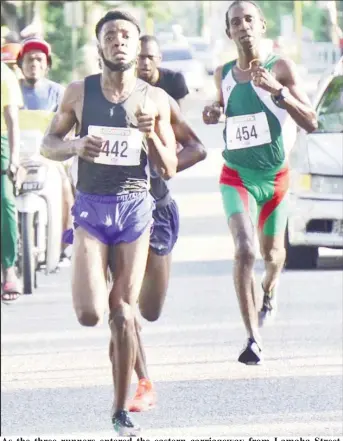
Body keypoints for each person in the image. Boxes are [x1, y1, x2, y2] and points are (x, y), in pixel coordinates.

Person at [41, 10, 177, 436]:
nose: (119, 41)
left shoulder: (153, 99)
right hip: (91, 209)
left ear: (138, 47)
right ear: (99, 45)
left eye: (127, 35)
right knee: (88, 313)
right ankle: (124, 370)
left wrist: (151, 133)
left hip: (135, 208)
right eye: (111, 35)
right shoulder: (78, 93)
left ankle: (120, 410)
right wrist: (77, 144)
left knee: (122, 312)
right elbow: (48, 145)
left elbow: (170, 166)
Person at [203, 0, 318, 365]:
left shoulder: (280, 67)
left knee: (272, 257)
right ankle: (253, 338)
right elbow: (223, 108)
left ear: (262, 26)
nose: (243, 26)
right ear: (229, 32)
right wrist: (213, 111)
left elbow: (311, 120)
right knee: (244, 250)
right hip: (235, 176)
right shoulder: (222, 72)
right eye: (236, 22)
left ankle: (269, 289)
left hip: (275, 179)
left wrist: (278, 91)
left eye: (249, 19)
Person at [120, 35, 207, 412]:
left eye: (148, 58)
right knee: (121, 304)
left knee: (149, 309)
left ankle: (127, 335)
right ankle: (142, 379)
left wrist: (164, 164)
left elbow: (198, 148)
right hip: (116, 209)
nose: (141, 64)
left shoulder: (162, 100)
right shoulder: (97, 99)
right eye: (135, 57)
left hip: (157, 209)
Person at [17, 37, 75, 257]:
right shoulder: (11, 91)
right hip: (18, 156)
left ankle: (64, 243)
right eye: (29, 59)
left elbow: (69, 126)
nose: (34, 63)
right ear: (20, 63)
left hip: (49, 157)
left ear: (47, 65)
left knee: (65, 188)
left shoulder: (59, 93)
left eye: (39, 59)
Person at [1, 62, 24, 303]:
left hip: (1, 143)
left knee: (5, 199)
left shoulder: (4, 75)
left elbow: (12, 120)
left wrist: (14, 157)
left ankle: (8, 267)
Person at [137, 35, 189, 109]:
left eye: (150, 57)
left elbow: (180, 116)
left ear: (159, 59)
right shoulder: (127, 83)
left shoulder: (174, 80)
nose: (146, 62)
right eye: (141, 57)